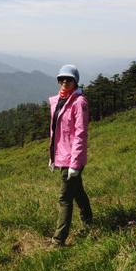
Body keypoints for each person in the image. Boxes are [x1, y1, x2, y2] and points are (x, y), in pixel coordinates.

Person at [48, 64, 93, 246]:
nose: (64, 82)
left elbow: (80, 133)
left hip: (72, 158)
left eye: (69, 79)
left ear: (76, 82)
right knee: (78, 192)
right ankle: (89, 221)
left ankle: (58, 241)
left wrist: (74, 164)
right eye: (61, 79)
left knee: (65, 198)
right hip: (62, 156)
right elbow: (56, 133)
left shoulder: (79, 102)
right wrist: (52, 156)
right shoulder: (59, 101)